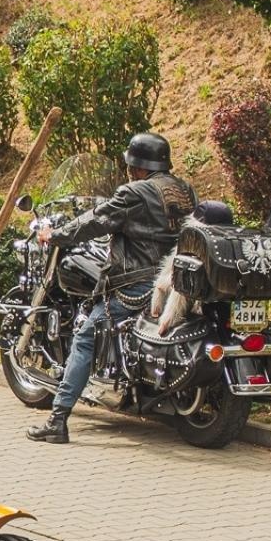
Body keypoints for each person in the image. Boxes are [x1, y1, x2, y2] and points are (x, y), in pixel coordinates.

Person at [27, 132, 197, 444]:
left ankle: (57, 420)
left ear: (137, 166)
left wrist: (56, 235)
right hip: (177, 281)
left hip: (138, 284)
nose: (130, 170)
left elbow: (95, 220)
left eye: (131, 165)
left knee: (85, 338)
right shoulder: (183, 191)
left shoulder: (135, 192)